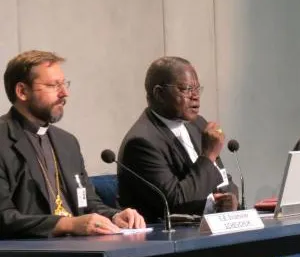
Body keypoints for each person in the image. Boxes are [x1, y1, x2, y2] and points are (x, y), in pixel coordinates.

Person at [0, 50, 145, 238]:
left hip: (80, 247)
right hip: (32, 250)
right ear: (22, 91)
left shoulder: (66, 142)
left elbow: (89, 204)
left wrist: (115, 216)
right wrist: (67, 224)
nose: (64, 93)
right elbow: (4, 217)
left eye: (64, 84)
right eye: (53, 85)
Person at [118, 57, 238, 223]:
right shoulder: (141, 143)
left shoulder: (198, 124)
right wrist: (208, 155)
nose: (195, 96)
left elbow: (223, 178)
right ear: (159, 94)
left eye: (197, 89)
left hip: (210, 225)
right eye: (186, 89)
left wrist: (231, 197)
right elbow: (175, 203)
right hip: (167, 234)